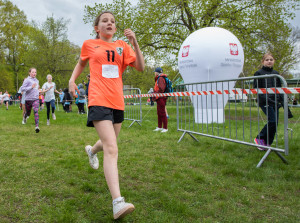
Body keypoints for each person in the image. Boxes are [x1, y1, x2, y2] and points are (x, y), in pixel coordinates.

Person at [68, 11, 144, 220]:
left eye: (112, 21)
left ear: (115, 27)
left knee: (108, 143)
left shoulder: (122, 45)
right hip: (98, 99)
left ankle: (91, 151)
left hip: (117, 101)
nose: (109, 23)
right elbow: (81, 63)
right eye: (105, 21)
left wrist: (134, 42)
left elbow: (140, 67)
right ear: (97, 28)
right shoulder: (90, 45)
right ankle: (117, 202)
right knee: (112, 148)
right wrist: (72, 80)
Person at [253, 53, 285, 150]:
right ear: (263, 61)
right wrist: (265, 99)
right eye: (267, 59)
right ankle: (259, 138)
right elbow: (256, 88)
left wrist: (281, 101)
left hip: (275, 102)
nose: (269, 61)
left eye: (271, 59)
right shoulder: (258, 73)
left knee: (275, 124)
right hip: (265, 101)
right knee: (272, 121)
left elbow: (279, 89)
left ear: (274, 61)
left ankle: (267, 144)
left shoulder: (276, 73)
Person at [21, 68, 40, 133]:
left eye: (35, 72)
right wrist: (31, 87)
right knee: (28, 113)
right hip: (28, 99)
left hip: (35, 99)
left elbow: (36, 89)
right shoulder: (27, 80)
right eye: (33, 72)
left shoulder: (37, 81)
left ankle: (37, 127)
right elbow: (22, 89)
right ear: (29, 73)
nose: (34, 73)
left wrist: (38, 91)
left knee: (35, 111)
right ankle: (25, 117)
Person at [153, 67, 168, 133]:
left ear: (157, 72)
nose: (154, 73)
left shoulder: (161, 78)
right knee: (159, 112)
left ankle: (165, 128)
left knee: (162, 113)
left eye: (155, 72)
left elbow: (161, 89)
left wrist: (154, 94)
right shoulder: (159, 78)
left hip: (161, 97)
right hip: (159, 97)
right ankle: (159, 127)